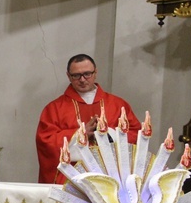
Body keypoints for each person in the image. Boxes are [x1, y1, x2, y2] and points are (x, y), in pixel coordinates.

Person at [35, 53, 142, 184]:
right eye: (76, 75)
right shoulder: (54, 108)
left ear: (95, 72)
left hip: (111, 178)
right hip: (71, 179)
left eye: (87, 74)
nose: (82, 79)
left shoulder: (118, 105)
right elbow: (46, 141)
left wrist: (108, 133)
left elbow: (136, 135)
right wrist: (80, 133)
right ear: (68, 76)